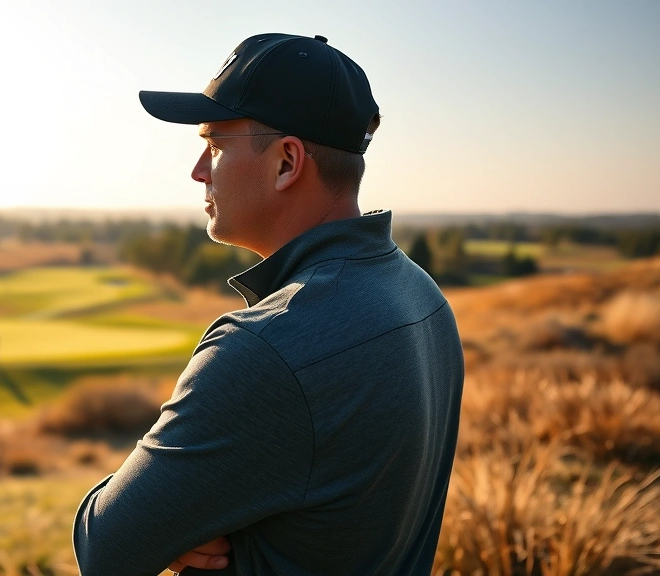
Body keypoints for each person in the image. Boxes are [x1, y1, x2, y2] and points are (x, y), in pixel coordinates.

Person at [72, 32, 464, 576]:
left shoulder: (266, 347)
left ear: (286, 162)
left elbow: (106, 548)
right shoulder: (423, 296)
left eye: (214, 145)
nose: (198, 171)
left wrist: (174, 524)